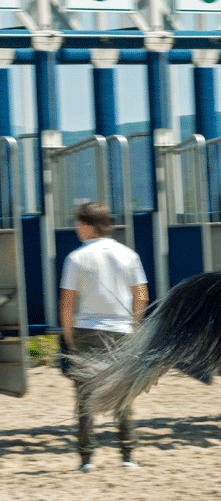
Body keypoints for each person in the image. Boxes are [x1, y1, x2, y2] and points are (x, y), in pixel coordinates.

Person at [59, 202, 149, 472]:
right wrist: (133, 326)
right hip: (121, 331)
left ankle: (86, 458)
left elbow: (67, 301)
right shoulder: (129, 255)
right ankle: (128, 455)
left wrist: (68, 335)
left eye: (78, 223)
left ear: (88, 225)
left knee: (85, 395)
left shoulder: (76, 258)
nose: (76, 229)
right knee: (123, 394)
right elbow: (141, 295)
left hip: (87, 330)